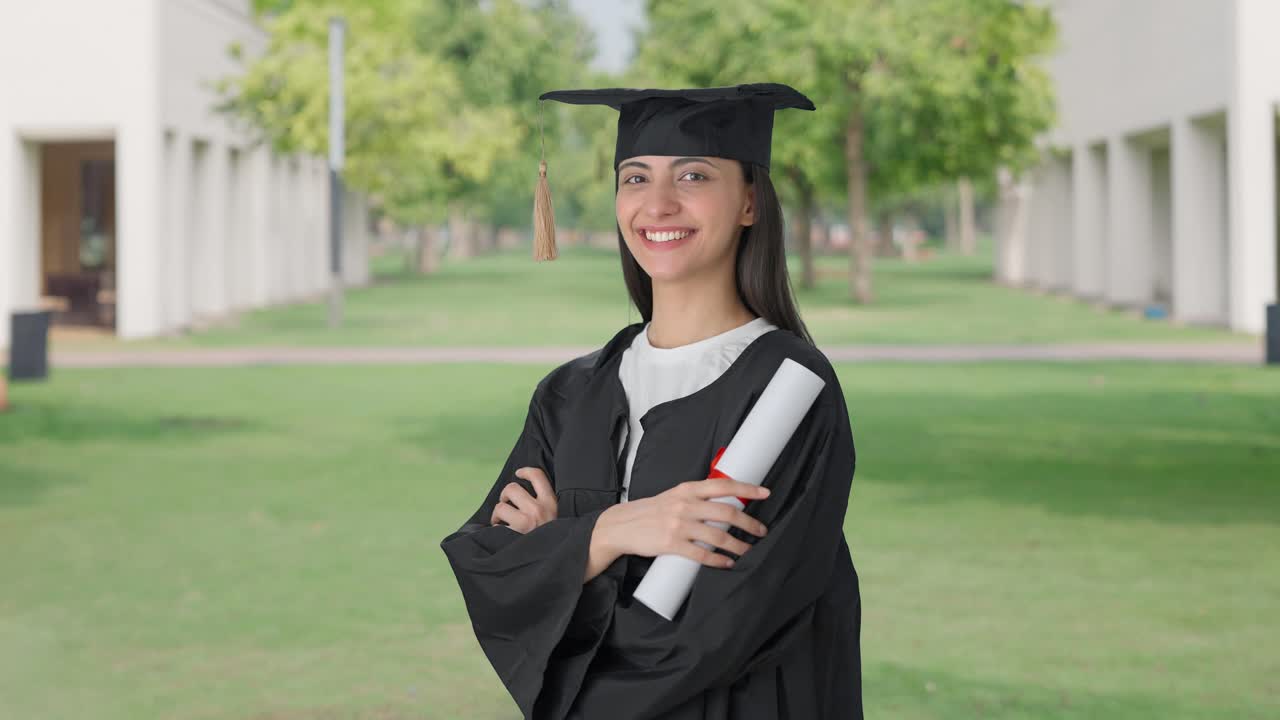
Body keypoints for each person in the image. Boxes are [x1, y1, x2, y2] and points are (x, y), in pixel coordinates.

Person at [440, 83, 862, 719]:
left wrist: (562, 552)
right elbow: (490, 567)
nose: (658, 204)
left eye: (693, 175)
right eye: (635, 178)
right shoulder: (571, 393)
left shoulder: (789, 389)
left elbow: (716, 633)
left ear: (750, 202)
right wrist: (610, 531)